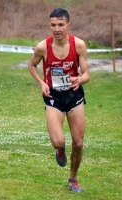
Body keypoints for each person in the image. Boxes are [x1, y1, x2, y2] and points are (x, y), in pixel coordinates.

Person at [28, 8, 90, 193]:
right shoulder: (42, 47)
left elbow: (87, 74)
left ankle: (73, 179)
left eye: (61, 25)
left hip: (73, 96)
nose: (57, 29)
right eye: (53, 25)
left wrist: (79, 79)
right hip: (53, 96)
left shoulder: (79, 45)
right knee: (57, 141)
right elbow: (32, 65)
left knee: (78, 143)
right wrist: (41, 83)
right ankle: (60, 150)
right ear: (50, 26)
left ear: (68, 26)